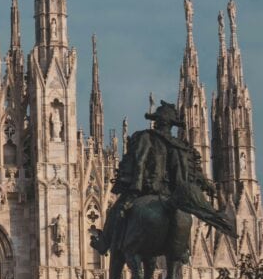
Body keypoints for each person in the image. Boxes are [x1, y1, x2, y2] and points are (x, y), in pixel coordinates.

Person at [92, 100, 232, 256]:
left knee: (116, 211)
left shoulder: (146, 138)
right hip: (171, 193)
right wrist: (208, 185)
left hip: (147, 190)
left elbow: (140, 161)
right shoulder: (179, 146)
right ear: (171, 125)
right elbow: (193, 172)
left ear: (157, 121)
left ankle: (103, 244)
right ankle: (183, 254)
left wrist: (133, 189)